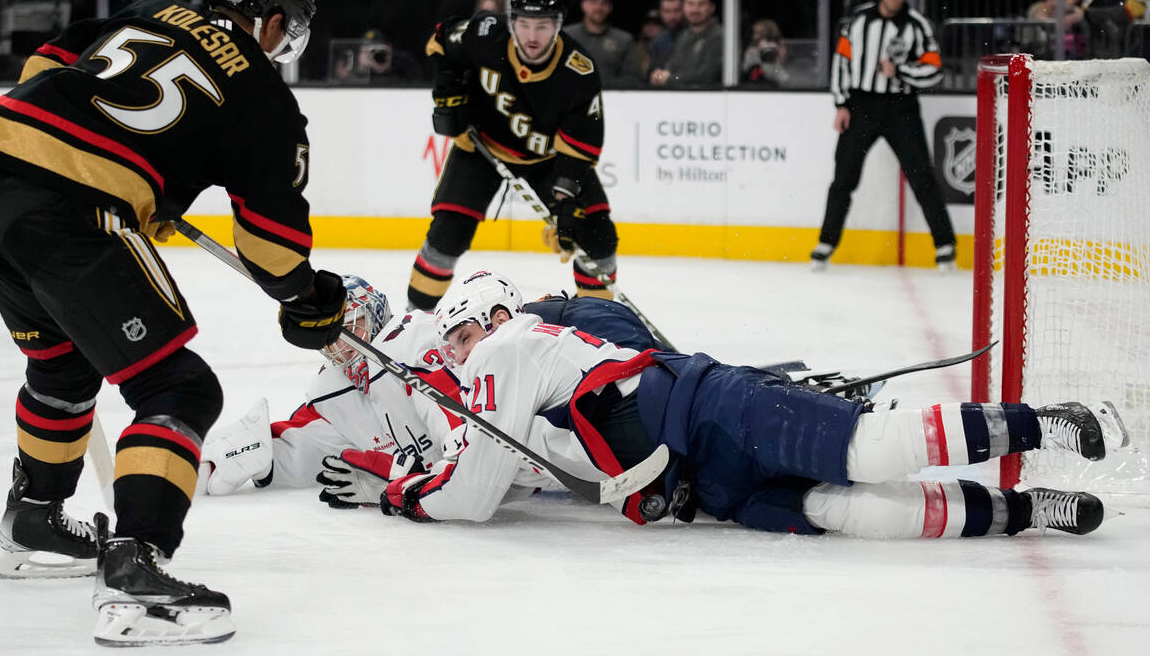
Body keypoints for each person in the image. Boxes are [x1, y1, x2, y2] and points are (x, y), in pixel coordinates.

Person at [0, 0, 345, 647]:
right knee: (179, 390)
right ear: (270, 20)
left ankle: (34, 519)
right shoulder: (264, 94)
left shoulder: (153, 10)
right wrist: (310, 301)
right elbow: (272, 250)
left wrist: (136, 170)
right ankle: (136, 566)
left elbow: (48, 62)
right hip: (69, 207)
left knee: (64, 364)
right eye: (287, 25)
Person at [376, 271, 1124, 539]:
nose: (464, 351)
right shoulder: (505, 383)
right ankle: (1028, 513)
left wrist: (410, 494)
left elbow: (470, 497)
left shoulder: (523, 341)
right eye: (454, 344)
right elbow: (490, 471)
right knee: (862, 512)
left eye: (468, 330)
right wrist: (417, 457)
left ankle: (1043, 422)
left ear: (501, 314)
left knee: (871, 451)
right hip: (705, 486)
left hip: (708, 410)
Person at [200, 278, 664, 504]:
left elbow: (474, 439)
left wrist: (401, 477)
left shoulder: (417, 341)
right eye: (329, 336)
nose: (340, 343)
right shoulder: (334, 391)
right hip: (507, 468)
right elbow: (308, 444)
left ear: (376, 315)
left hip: (572, 378)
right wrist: (245, 456)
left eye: (352, 325)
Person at [406, 0, 619, 311]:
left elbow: (579, 147)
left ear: (559, 24)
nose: (532, 36)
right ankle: (414, 319)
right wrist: (449, 94)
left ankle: (602, 319)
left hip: (549, 158)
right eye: (524, 24)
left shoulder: (578, 70)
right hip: (481, 147)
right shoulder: (485, 34)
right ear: (512, 21)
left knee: (597, 235)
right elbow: (440, 42)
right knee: (449, 231)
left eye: (543, 26)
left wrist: (565, 202)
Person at [813, 0, 956, 272]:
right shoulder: (857, 21)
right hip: (860, 106)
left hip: (900, 108)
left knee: (922, 176)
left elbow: (934, 71)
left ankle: (945, 246)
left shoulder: (918, 25)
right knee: (844, 178)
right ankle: (825, 244)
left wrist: (901, 71)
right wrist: (841, 104)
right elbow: (842, 63)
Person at [562, 0, 643, 88]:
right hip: (572, 100)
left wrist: (600, 85)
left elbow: (634, 79)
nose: (598, 7)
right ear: (583, 5)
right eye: (593, 2)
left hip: (613, 101)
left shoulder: (624, 40)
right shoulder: (566, 36)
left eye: (604, 3)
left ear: (610, 8)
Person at [648, 0, 723, 88]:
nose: (695, 10)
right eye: (690, 4)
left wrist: (670, 79)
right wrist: (659, 75)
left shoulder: (720, 36)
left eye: (701, 4)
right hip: (682, 98)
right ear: (684, 6)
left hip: (710, 99)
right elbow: (672, 66)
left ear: (712, 7)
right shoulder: (684, 36)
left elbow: (709, 75)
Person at [331, 27, 418, 84]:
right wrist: (360, 69)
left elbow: (416, 84)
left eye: (379, 49)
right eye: (370, 50)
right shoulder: (352, 66)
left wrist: (387, 66)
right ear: (361, 52)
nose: (376, 54)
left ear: (389, 48)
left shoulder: (404, 63)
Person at [741, 18, 789, 88]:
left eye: (759, 33)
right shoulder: (752, 50)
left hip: (778, 79)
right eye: (754, 33)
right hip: (759, 82)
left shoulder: (779, 47)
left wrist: (776, 52)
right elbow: (747, 68)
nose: (755, 36)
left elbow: (782, 63)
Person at [646, 0, 684, 76]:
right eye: (667, 11)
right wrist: (657, 77)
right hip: (664, 88)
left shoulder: (693, 37)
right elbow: (651, 74)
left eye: (676, 10)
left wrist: (672, 78)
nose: (672, 16)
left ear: (684, 10)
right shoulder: (657, 42)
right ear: (660, 12)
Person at [633, 9, 664, 78]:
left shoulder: (670, 47)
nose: (651, 27)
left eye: (656, 24)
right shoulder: (634, 49)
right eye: (647, 23)